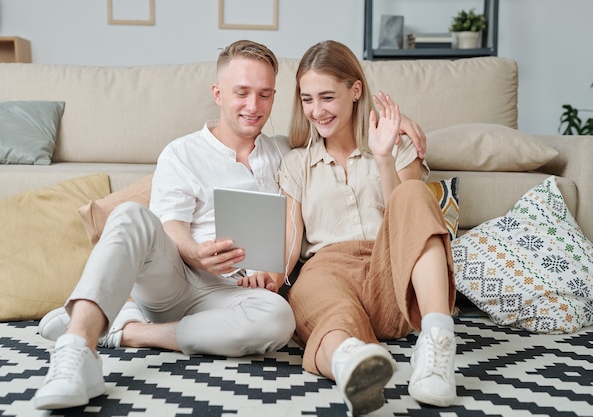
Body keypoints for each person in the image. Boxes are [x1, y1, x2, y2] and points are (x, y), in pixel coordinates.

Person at [32, 39, 299, 410]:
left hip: (233, 296)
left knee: (279, 319)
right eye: (242, 93)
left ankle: (127, 330)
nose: (253, 106)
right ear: (218, 93)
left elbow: (338, 134)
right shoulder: (182, 152)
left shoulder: (284, 151)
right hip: (176, 280)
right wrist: (196, 253)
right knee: (129, 214)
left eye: (265, 95)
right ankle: (77, 351)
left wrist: (401, 134)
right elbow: (171, 227)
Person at [237, 40, 457, 416]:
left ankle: (437, 344)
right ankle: (352, 365)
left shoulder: (395, 146)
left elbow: (405, 219)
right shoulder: (295, 162)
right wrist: (271, 277)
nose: (316, 111)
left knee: (414, 194)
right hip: (327, 271)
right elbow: (291, 242)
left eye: (327, 97)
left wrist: (384, 157)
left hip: (390, 271)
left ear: (355, 91)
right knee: (327, 310)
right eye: (307, 99)